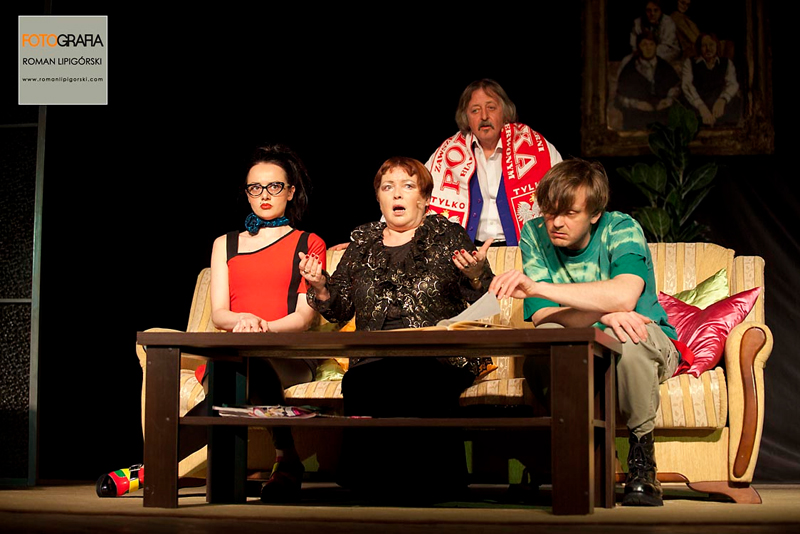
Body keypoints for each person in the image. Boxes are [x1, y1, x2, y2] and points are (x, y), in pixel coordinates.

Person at [489, 158, 681, 507]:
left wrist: (539, 288)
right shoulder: (534, 233)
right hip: (580, 345)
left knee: (629, 340)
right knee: (546, 344)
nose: (556, 223)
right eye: (549, 212)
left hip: (645, 337)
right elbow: (544, 316)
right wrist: (605, 312)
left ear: (594, 214)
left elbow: (625, 296)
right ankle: (569, 455)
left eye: (569, 213)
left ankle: (643, 462)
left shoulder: (621, 228)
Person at [300, 156, 494, 499]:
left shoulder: (447, 235)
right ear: (379, 199)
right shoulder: (363, 244)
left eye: (408, 186)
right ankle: (370, 486)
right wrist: (320, 286)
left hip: (437, 355)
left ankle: (430, 484)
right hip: (374, 355)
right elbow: (340, 309)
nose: (397, 194)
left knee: (415, 375)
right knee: (360, 380)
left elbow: (481, 294)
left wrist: (477, 275)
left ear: (425, 198)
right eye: (388, 187)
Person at [198, 144, 327, 503]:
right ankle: (285, 462)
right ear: (247, 193)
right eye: (256, 188)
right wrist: (245, 320)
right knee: (232, 367)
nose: (265, 195)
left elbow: (303, 317)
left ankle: (284, 458)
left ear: (291, 192)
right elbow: (219, 313)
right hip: (235, 353)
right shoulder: (225, 244)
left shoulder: (308, 242)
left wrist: (264, 328)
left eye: (274, 186)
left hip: (288, 355)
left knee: (249, 364)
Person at [425, 79, 562, 248]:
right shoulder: (448, 152)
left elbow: (565, 190)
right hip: (466, 252)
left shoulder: (536, 146)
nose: (484, 116)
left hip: (523, 249)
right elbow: (417, 190)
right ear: (466, 118)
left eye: (491, 108)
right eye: (475, 110)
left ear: (504, 112)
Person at [616, 30, 681, 130]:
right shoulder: (629, 69)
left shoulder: (665, 67)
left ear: (656, 46)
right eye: (644, 45)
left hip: (663, 116)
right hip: (637, 117)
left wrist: (668, 101)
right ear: (638, 47)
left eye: (651, 44)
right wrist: (636, 104)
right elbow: (619, 98)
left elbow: (677, 89)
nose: (648, 48)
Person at [681, 32, 741, 126]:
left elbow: (733, 84)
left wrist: (723, 99)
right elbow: (687, 85)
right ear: (699, 48)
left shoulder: (726, 63)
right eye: (704, 45)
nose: (708, 48)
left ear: (717, 46)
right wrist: (701, 106)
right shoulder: (690, 63)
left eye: (711, 45)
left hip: (719, 104)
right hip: (697, 103)